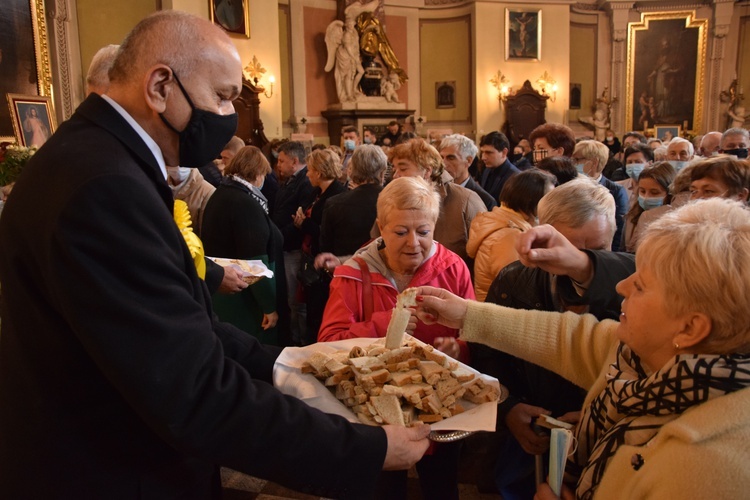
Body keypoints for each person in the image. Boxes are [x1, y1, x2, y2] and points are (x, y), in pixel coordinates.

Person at [0, 12, 430, 498]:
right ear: (161, 85)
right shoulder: (105, 187)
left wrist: (292, 363)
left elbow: (187, 325)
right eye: (223, 96)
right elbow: (194, 391)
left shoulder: (98, 158)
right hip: (112, 471)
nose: (228, 116)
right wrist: (366, 448)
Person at [416, 198, 750, 500]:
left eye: (642, 285)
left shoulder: (708, 467)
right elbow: (570, 338)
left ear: (690, 328)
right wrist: (467, 313)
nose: (622, 286)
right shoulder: (642, 356)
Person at [319, 176, 474, 500]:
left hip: (439, 410)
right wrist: (385, 324)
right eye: (401, 232)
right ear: (380, 228)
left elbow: (474, 333)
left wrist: (458, 348)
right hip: (376, 413)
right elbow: (328, 343)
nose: (414, 243)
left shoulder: (453, 268)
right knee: (383, 489)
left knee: (442, 487)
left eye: (424, 232)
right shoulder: (353, 273)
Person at [475, 178, 626, 499]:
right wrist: (509, 408)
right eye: (569, 249)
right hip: (532, 431)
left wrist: (600, 416)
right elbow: (489, 354)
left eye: (595, 252)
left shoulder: (632, 284)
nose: (576, 263)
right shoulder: (515, 278)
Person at [201, 146, 283, 344]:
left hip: (225, 294)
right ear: (256, 174)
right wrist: (269, 306)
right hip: (244, 300)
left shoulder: (223, 192)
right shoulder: (244, 203)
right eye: (263, 174)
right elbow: (255, 261)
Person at [383, 139, 486, 267]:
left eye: (403, 169)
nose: (396, 176)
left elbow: (485, 256)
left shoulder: (466, 201)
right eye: (395, 169)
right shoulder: (391, 200)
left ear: (427, 171)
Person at [467, 169, 555, 301]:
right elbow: (520, 287)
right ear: (530, 199)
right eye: (548, 198)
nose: (551, 205)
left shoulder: (503, 221)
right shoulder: (509, 236)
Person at [292, 148, 346, 343]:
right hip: (311, 254)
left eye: (310, 170)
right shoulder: (317, 192)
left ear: (320, 172)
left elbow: (326, 231)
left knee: (319, 312)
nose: (306, 174)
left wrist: (304, 224)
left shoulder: (337, 195)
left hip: (326, 262)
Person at [272, 140, 315, 346]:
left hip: (294, 247)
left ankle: (300, 342)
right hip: (285, 245)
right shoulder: (290, 180)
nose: (278, 165)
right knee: (292, 301)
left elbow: (298, 218)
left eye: (281, 161)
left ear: (294, 161)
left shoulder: (304, 182)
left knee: (297, 302)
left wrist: (278, 236)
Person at [318, 144, 386, 259]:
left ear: (353, 171)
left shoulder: (334, 203)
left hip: (344, 269)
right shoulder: (393, 201)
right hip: (383, 269)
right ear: (382, 172)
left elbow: (325, 247)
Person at [571, 140, 629, 251]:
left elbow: (619, 228)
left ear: (594, 162)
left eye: (577, 159)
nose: (573, 163)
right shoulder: (569, 186)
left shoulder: (615, 190)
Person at [622, 161, 676, 253]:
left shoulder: (674, 222)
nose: (646, 197)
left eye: (654, 192)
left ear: (669, 193)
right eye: (642, 191)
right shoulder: (632, 215)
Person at [438, 133, 497, 211]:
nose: (444, 164)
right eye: (441, 157)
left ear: (468, 161)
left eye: (451, 158)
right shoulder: (435, 192)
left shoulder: (485, 200)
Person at [478, 131, 520, 202]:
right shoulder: (487, 170)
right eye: (482, 152)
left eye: (488, 153)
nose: (483, 157)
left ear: (504, 152)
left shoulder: (515, 177)